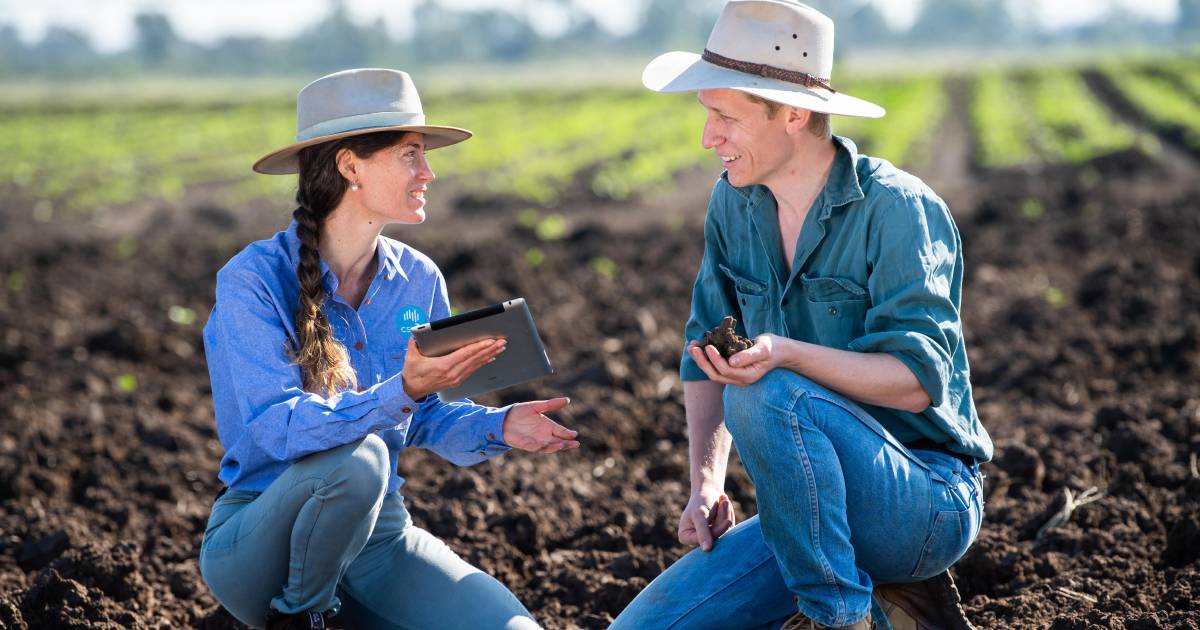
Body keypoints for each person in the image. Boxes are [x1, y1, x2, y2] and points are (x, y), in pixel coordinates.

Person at [612, 2, 992, 629]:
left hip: (923, 499)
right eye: (707, 116)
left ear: (792, 114)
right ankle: (894, 605)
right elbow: (702, 352)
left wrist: (788, 354)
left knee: (768, 392)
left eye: (725, 117)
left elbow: (918, 381)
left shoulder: (898, 209)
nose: (709, 138)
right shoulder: (732, 206)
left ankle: (839, 617)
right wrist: (705, 482)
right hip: (808, 514)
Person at [198, 68, 579, 630]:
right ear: (349, 165)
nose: (429, 172)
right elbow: (276, 428)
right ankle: (299, 618)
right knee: (362, 458)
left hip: (377, 537)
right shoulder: (252, 280)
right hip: (260, 539)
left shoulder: (417, 279)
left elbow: (422, 416)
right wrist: (399, 390)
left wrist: (500, 426)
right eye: (410, 154)